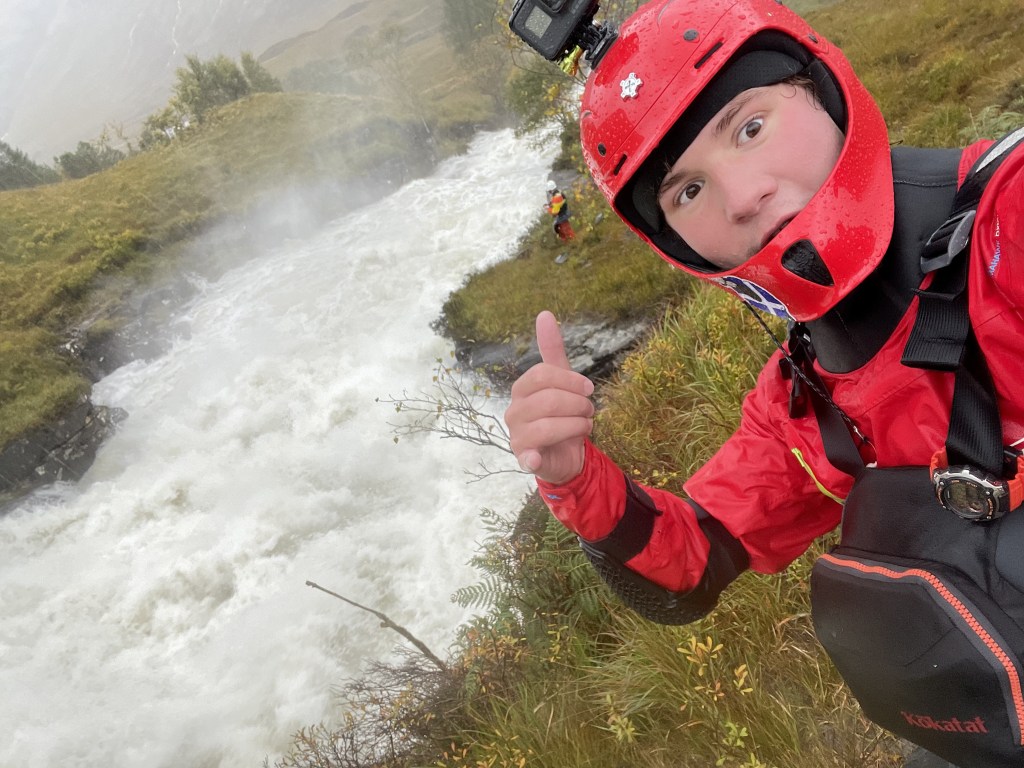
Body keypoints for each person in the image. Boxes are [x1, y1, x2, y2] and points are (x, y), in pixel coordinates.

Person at [504, 1, 1024, 766]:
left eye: (749, 127)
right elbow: (690, 563)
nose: (742, 195)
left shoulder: (1007, 226)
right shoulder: (801, 397)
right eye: (687, 192)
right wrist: (575, 481)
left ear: (821, 87)